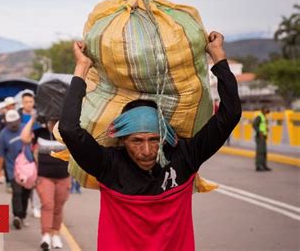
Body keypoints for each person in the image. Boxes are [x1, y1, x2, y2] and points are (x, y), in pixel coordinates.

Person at [58, 31, 242, 250]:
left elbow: (230, 114)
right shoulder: (108, 164)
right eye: (136, 141)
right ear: (122, 140)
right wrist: (82, 66)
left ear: (165, 136)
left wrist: (217, 55)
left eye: (155, 139)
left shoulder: (185, 156)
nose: (147, 150)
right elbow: (68, 128)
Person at [21, 113, 70, 250]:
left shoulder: (66, 134)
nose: (53, 124)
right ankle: (46, 235)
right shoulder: (39, 133)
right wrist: (32, 118)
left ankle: (56, 234)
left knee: (58, 207)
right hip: (44, 177)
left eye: (57, 122)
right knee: (47, 204)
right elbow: (24, 138)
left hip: (64, 177)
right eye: (51, 121)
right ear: (47, 121)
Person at [0, 109, 31, 229]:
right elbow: (0, 155)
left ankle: (22, 216)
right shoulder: (3, 135)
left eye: (15, 122)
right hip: (13, 169)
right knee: (17, 192)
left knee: (26, 193)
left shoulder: (25, 128)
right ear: (6, 123)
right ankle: (16, 216)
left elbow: (34, 144)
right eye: (11, 123)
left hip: (28, 168)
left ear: (19, 120)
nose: (14, 125)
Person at [17, 91, 42, 219]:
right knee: (25, 183)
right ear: (22, 103)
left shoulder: (39, 116)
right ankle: (22, 211)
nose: (29, 104)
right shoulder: (18, 117)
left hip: (36, 153)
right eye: (26, 102)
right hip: (23, 155)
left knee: (37, 181)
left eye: (31, 102)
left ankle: (36, 207)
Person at [253, 106, 271, 171]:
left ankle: (264, 165)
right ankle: (258, 166)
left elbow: (263, 125)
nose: (267, 110)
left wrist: (266, 129)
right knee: (260, 152)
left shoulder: (264, 117)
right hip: (259, 137)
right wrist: (259, 131)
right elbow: (254, 125)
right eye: (266, 109)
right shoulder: (259, 117)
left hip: (264, 136)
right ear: (262, 110)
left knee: (264, 152)